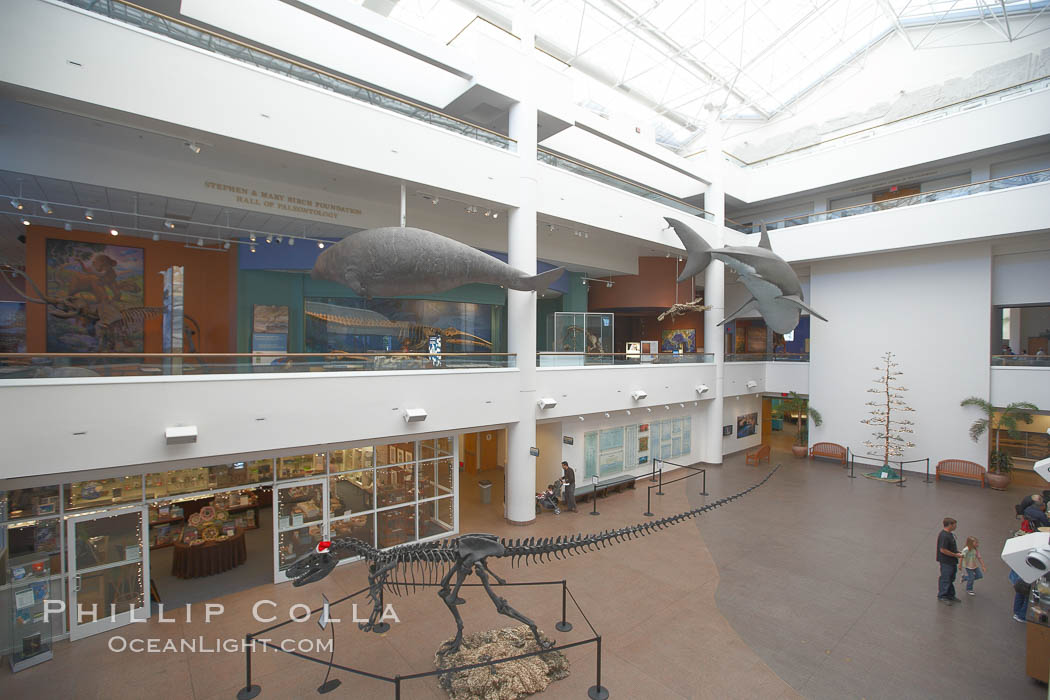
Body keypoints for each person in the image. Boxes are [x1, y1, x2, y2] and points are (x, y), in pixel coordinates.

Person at [937, 517, 962, 604]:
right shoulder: (944, 536)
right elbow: (943, 550)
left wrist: (958, 552)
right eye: (954, 524)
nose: (956, 526)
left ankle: (950, 595)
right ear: (950, 525)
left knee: (951, 578)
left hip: (952, 561)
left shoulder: (950, 534)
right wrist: (955, 555)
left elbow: (950, 548)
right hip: (946, 561)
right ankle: (942, 595)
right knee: (946, 578)